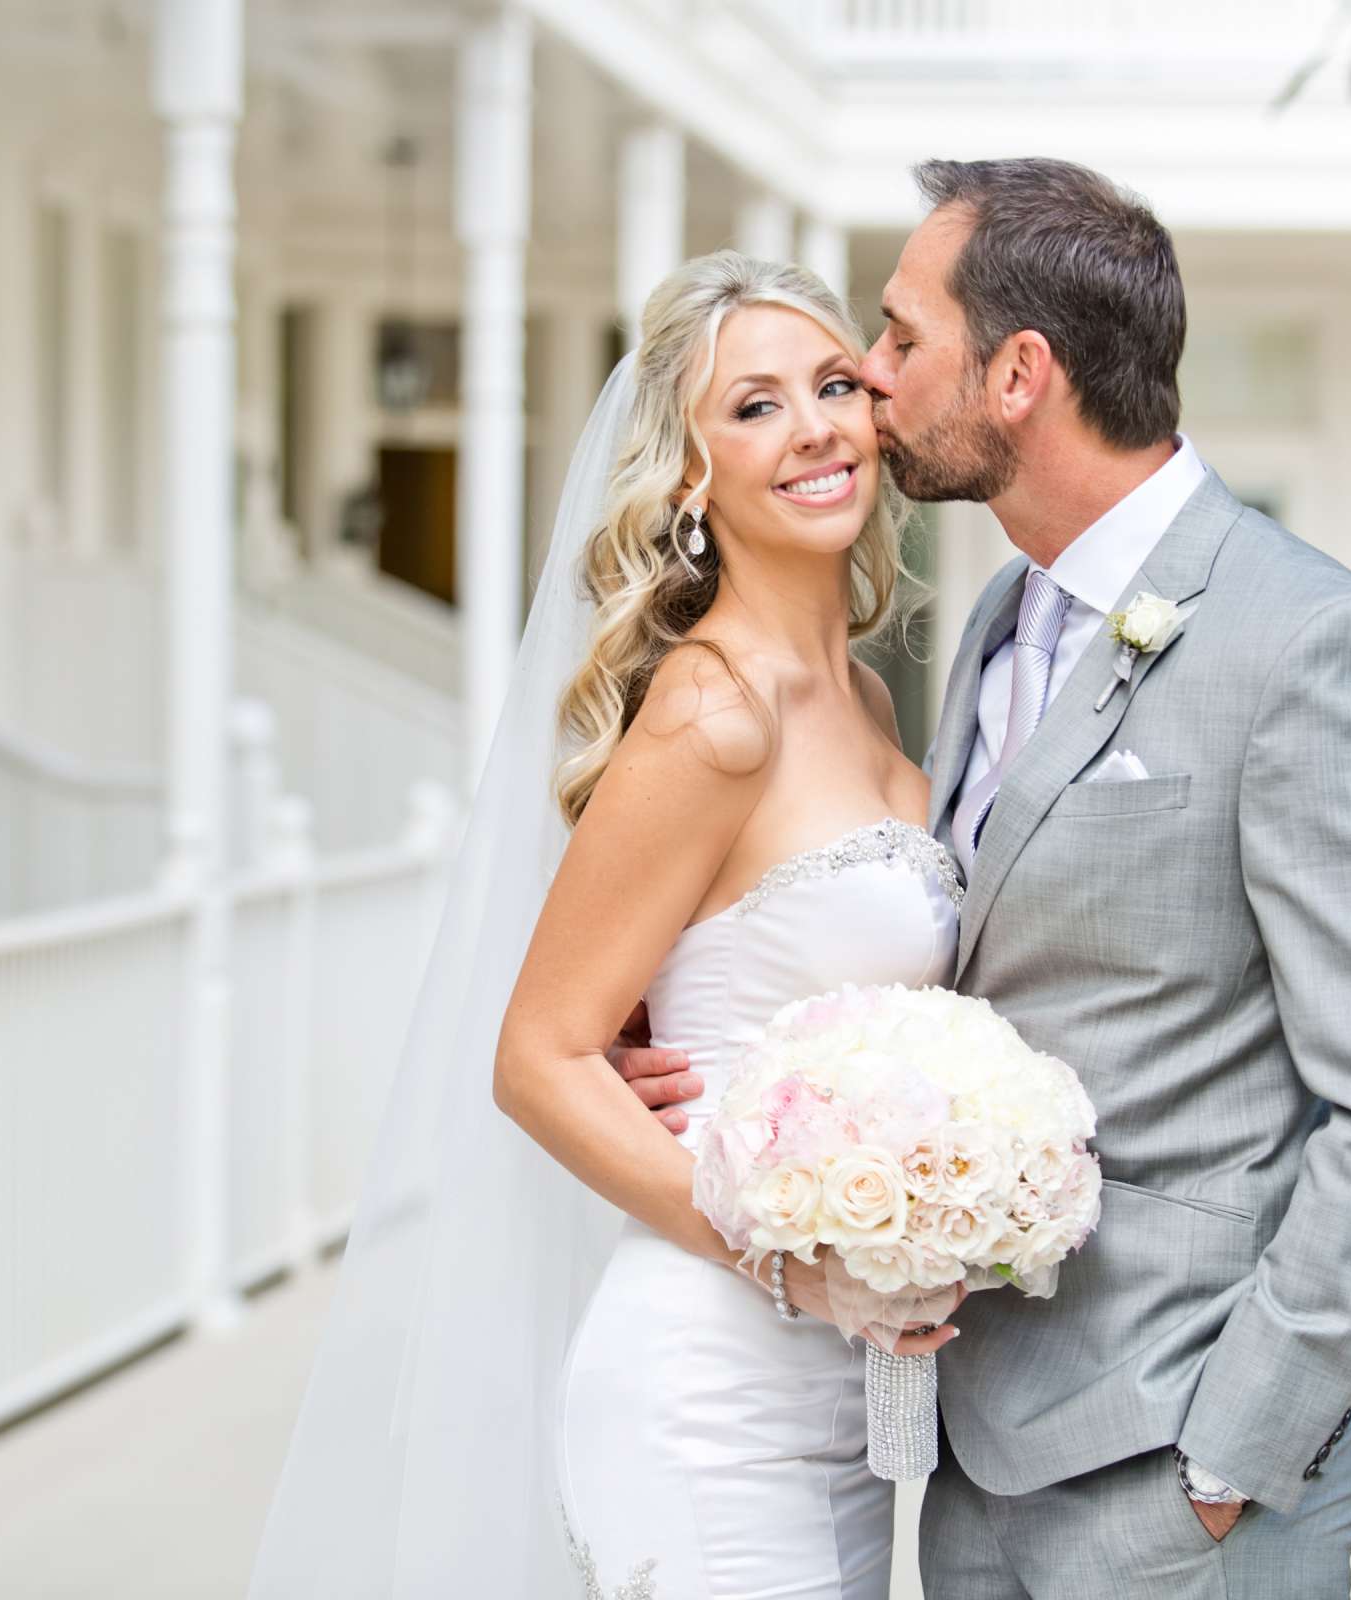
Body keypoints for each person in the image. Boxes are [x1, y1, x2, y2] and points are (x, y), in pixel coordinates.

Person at [615, 157, 1351, 1597]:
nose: (869, 382)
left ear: (1017, 375)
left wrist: (1230, 1460)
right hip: (980, 1448)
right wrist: (720, 1055)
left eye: (899, 340)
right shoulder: (1005, 621)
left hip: (1182, 1461)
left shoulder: (1310, 648)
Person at [245, 251, 962, 1599]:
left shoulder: (865, 700)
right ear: (687, 478)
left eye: (830, 384)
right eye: (752, 408)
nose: (812, 426)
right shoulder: (711, 711)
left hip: (843, 1403)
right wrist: (787, 1264)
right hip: (714, 1390)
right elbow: (537, 1057)